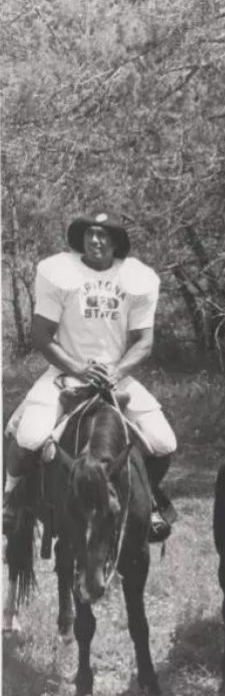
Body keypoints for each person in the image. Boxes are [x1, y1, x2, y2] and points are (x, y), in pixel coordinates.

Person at [3, 209, 177, 541]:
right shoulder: (60, 273)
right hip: (66, 372)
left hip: (115, 375)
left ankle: (150, 498)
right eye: (90, 234)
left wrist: (117, 370)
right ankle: (9, 501)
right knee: (30, 436)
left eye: (104, 235)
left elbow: (144, 341)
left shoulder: (136, 280)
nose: (95, 240)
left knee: (164, 442)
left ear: (116, 243)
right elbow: (41, 336)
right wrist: (80, 367)